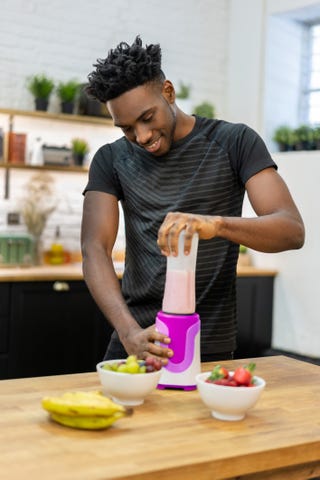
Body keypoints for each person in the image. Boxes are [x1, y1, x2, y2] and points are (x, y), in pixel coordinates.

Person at [81, 36, 305, 364]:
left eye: (147, 118)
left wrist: (214, 224)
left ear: (168, 92)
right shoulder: (111, 159)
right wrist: (129, 333)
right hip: (135, 342)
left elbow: (291, 230)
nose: (141, 137)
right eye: (127, 128)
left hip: (208, 346)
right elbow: (94, 249)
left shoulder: (234, 142)